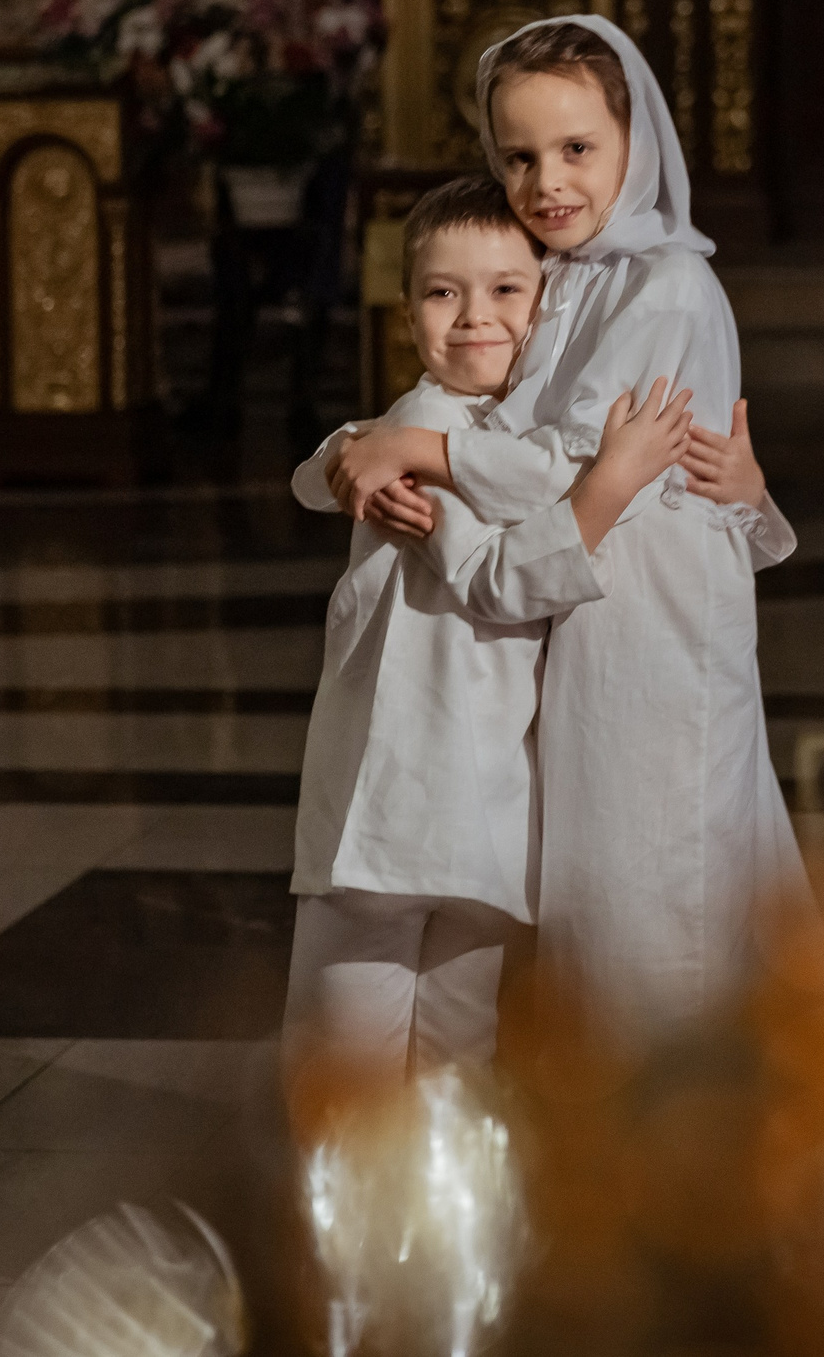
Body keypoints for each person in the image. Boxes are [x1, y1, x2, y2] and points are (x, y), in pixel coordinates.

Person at [319, 17, 821, 1050]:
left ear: (637, 138)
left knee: (662, 880)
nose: (547, 180)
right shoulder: (560, 268)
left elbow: (569, 467)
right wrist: (374, 444)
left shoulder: (668, 283)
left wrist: (416, 450)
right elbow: (489, 408)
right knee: (596, 892)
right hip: (568, 609)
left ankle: (685, 1136)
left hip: (650, 626)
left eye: (577, 149)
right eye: (519, 156)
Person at [283, 174, 697, 1078]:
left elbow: (332, 460)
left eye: (507, 290)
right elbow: (497, 579)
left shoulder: (509, 432)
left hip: (454, 807)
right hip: (405, 802)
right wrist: (609, 487)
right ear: (406, 315)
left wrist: (336, 460)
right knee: (382, 1075)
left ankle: (404, 1224)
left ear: (548, 309)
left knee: (412, 1073)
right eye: (443, 292)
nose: (476, 316)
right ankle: (383, 1224)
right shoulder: (426, 425)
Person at [189, 0, 383, 452]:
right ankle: (222, 397)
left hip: (314, 131)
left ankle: (305, 393)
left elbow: (367, 27)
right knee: (236, 272)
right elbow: (219, 15)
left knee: (317, 259)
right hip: (246, 133)